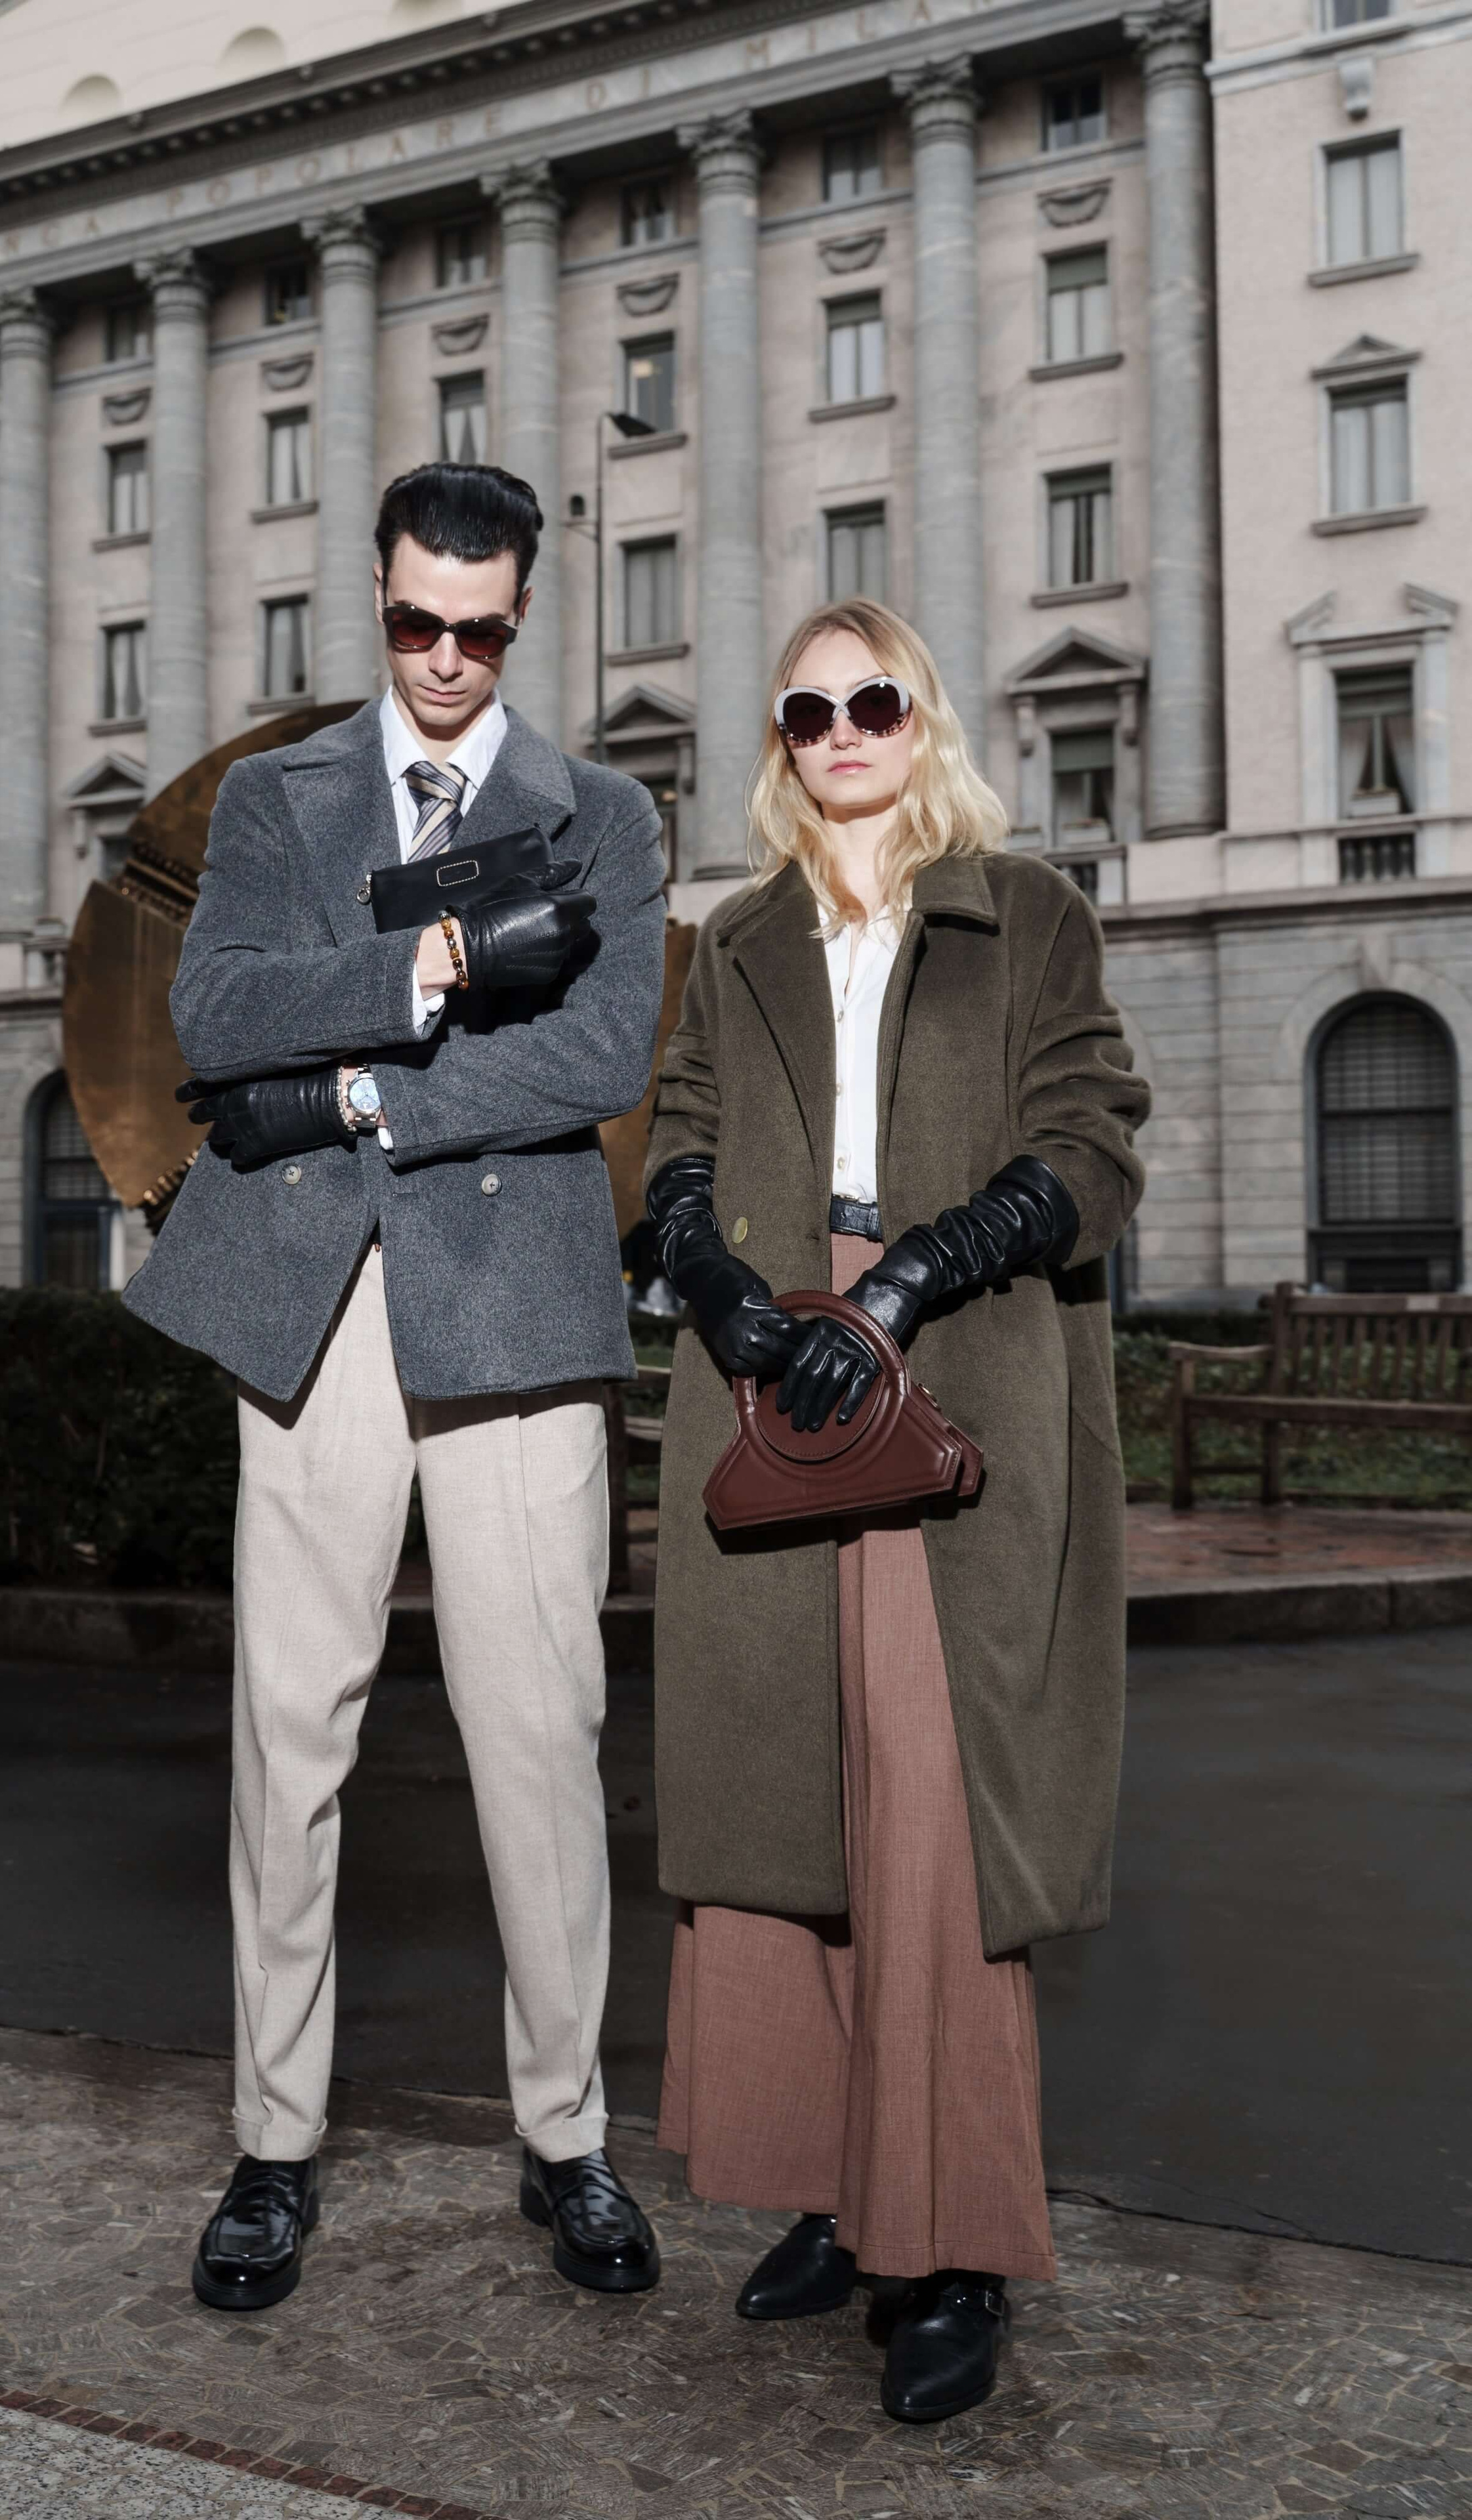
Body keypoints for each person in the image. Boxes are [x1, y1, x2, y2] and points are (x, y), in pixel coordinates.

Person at [123, 461, 668, 2313]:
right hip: (313, 1305)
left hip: (516, 1306)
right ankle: (275, 2148)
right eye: (417, 621)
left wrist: (358, 1088)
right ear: (377, 597)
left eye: (483, 627)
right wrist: (432, 961)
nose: (446, 659)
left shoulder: (599, 814)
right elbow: (213, 1021)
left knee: (540, 1742)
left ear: (525, 615)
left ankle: (569, 2139)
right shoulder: (279, 799)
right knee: (293, 1740)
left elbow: (593, 1058)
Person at [642, 597, 1149, 2424]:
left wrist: (924, 1270)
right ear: (777, 743)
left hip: (961, 1378)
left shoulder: (1031, 912)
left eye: (873, 701)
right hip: (776, 1372)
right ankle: (841, 2207)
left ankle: (945, 2247)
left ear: (923, 717)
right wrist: (709, 1276)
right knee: (794, 1804)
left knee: (933, 1817)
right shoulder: (738, 934)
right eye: (806, 712)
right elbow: (679, 1128)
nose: (841, 732)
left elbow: (1095, 1140)